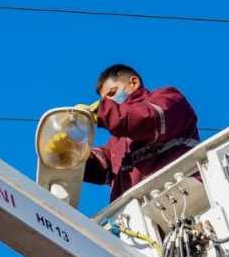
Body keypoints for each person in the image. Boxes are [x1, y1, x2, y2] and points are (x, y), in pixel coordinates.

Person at [77, 64, 200, 203]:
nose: (109, 102)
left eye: (112, 93)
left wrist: (102, 110)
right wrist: (69, 152)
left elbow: (144, 119)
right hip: (137, 218)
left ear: (134, 83)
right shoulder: (117, 143)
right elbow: (100, 164)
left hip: (187, 197)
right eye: (105, 100)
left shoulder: (168, 98)